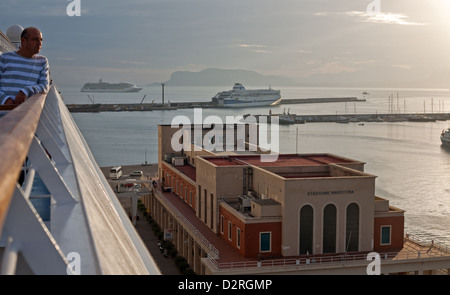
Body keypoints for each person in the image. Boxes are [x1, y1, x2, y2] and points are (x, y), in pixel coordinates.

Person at [0, 27, 50, 105]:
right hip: (3, 113)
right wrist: (5, 100)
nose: (39, 43)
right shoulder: (4, 58)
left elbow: (45, 86)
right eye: (35, 39)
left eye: (41, 40)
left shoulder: (42, 61)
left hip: (26, 114)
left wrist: (26, 91)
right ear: (23, 41)